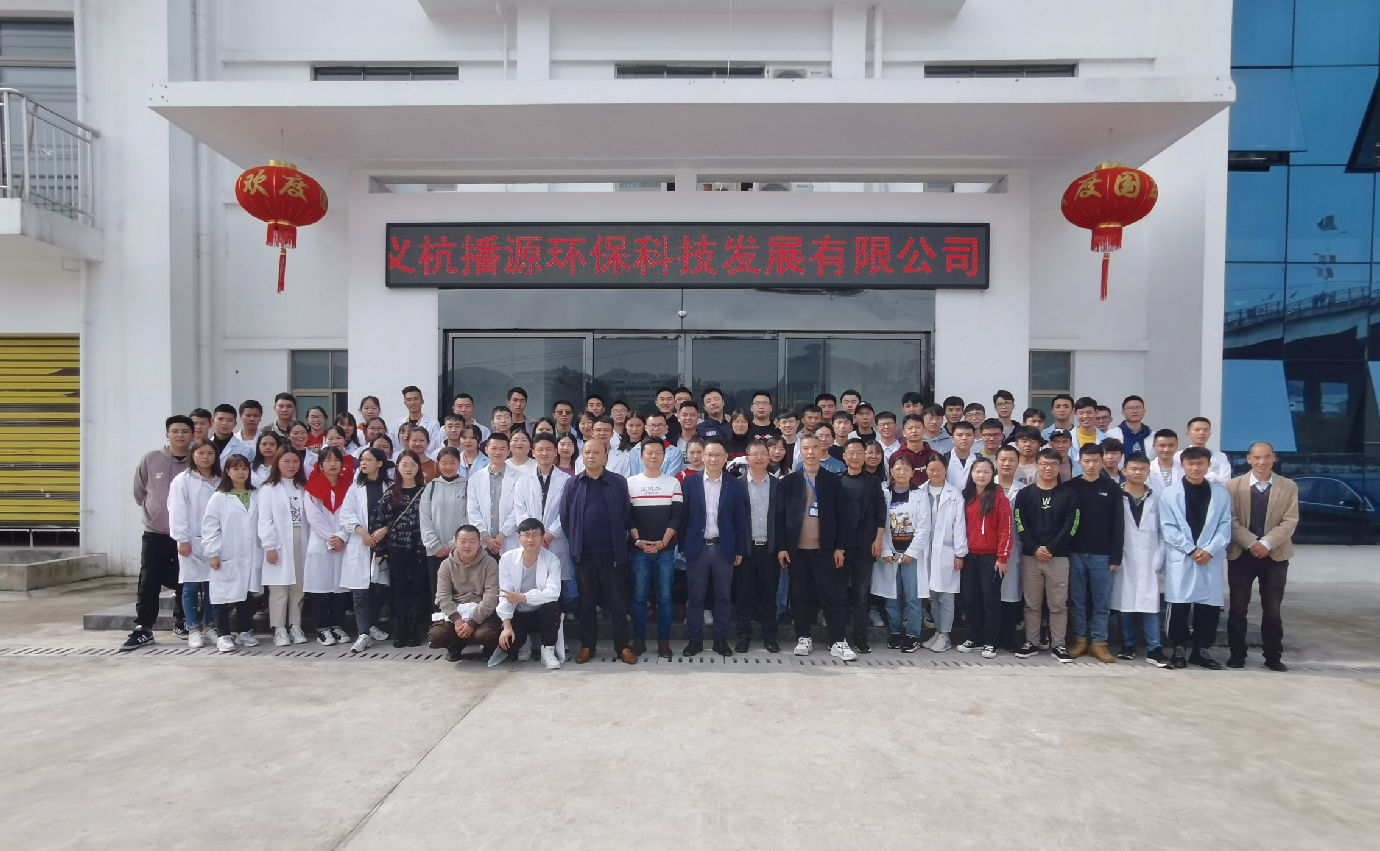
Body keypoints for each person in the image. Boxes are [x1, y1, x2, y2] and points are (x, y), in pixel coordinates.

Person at [775, 434, 854, 661]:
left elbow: (841, 516)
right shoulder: (788, 482)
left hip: (825, 549)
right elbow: (779, 518)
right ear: (800, 451)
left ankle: (838, 640)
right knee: (800, 595)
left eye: (815, 448)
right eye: (806, 448)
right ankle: (803, 637)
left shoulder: (833, 480)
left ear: (822, 450)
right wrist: (782, 547)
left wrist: (840, 547)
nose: (810, 452)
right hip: (797, 550)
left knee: (831, 595)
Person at [121, 415, 195, 651]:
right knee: (149, 579)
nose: (180, 435)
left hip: (186, 534)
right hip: (156, 531)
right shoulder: (151, 459)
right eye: (175, 431)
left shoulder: (197, 459)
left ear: (192, 435)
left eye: (185, 431)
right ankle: (144, 627)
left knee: (185, 578)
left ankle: (181, 621)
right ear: (167, 434)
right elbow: (139, 492)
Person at [559, 439, 636, 665]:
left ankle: (623, 646)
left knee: (617, 602)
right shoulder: (573, 484)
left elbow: (626, 514)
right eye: (587, 452)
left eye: (596, 452)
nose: (591, 456)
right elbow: (565, 517)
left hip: (612, 553)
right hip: (584, 554)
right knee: (586, 602)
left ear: (605, 456)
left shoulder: (618, 482)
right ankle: (587, 646)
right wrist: (577, 540)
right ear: (582, 456)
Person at [1225, 442, 1299, 672]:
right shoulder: (1233, 486)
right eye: (1257, 457)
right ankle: (1237, 654)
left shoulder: (1288, 486)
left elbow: (1290, 520)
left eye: (1267, 457)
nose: (1262, 462)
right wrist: (1252, 543)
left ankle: (1273, 656)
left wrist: (1266, 543)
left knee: (1273, 609)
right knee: (1238, 608)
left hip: (1275, 555)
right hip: (1242, 554)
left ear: (1274, 458)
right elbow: (1230, 520)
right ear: (1248, 459)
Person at [1160, 446, 1233, 670]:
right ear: (1182, 465)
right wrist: (1191, 549)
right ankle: (1179, 647)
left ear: (1208, 464)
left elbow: (1225, 525)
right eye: (1190, 463)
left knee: (1208, 605)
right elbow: (1168, 527)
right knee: (1179, 603)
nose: (1195, 468)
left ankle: (1201, 649)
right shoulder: (1170, 494)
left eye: (1200, 463)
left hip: (1209, 557)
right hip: (1183, 557)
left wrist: (1209, 550)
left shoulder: (1220, 494)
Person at [681, 441, 748, 657]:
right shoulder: (689, 483)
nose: (713, 459)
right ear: (702, 456)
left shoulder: (734, 484)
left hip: (723, 548)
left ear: (725, 457)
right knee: (696, 597)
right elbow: (683, 517)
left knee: (723, 597)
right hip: (697, 548)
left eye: (718, 455)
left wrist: (739, 550)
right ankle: (695, 641)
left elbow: (740, 520)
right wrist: (683, 546)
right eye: (709, 455)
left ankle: (720, 640)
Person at [1012, 448, 1078, 662]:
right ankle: (1031, 642)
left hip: (1058, 558)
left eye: (1053, 464)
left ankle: (1059, 645)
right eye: (1044, 464)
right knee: (1031, 604)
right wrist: (1034, 548)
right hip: (1031, 557)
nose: (1048, 468)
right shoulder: (1025, 494)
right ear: (1037, 466)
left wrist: (1051, 548)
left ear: (1059, 467)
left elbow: (1072, 525)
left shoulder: (1069, 494)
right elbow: (1020, 522)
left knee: (1058, 605)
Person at [1064, 443, 1124, 664]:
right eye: (1087, 461)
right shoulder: (1070, 487)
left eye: (1095, 461)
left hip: (1102, 554)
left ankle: (1099, 642)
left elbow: (1118, 523)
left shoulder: (1112, 488)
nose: (1091, 465)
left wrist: (1116, 555)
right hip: (1075, 553)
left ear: (1102, 461)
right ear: (1079, 462)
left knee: (1102, 601)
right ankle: (1080, 640)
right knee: (1077, 600)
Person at [626, 439, 684, 659]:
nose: (653, 456)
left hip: (665, 551)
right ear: (641, 456)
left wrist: (663, 542)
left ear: (664, 456)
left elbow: (676, 516)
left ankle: (663, 642)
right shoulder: (630, 483)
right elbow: (628, 516)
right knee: (639, 597)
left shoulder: (673, 483)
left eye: (658, 453)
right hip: (639, 550)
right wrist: (638, 540)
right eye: (649, 453)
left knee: (665, 598)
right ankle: (638, 641)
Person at [201, 454, 262, 653]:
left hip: (250, 554)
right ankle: (224, 634)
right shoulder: (219, 497)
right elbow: (210, 527)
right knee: (222, 596)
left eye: (244, 468)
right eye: (236, 469)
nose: (241, 472)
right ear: (227, 471)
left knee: (247, 594)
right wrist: (213, 552)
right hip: (226, 553)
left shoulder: (256, 495)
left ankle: (244, 631)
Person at [953, 457, 1011, 658]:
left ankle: (991, 642)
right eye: (978, 471)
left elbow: (1006, 529)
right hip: (969, 555)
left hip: (991, 557)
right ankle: (975, 637)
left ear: (992, 474)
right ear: (971, 473)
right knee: (970, 599)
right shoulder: (966, 496)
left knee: (990, 600)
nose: (981, 475)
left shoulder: (999, 497)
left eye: (986, 472)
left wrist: (1002, 557)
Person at [371, 450, 430, 647]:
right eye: (404, 464)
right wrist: (380, 550)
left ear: (418, 467)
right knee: (400, 590)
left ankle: (414, 630)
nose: (409, 468)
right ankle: (402, 630)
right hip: (396, 549)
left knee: (418, 590)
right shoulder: (390, 492)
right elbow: (378, 520)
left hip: (420, 549)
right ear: (397, 467)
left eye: (413, 464)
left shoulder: (426, 491)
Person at [1114, 453, 1168, 667]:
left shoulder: (1157, 498)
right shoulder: (1116, 496)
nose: (1138, 472)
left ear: (1148, 471)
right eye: (1133, 468)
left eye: (1142, 469)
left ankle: (1154, 648)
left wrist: (1160, 554)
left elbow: (1163, 531)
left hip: (1149, 557)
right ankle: (1127, 645)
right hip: (1123, 557)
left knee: (1150, 605)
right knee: (1124, 603)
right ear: (1124, 470)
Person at [512, 435, 574, 618]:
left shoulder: (567, 480)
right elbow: (520, 510)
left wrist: (550, 534)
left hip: (555, 540)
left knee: (555, 588)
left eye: (548, 449)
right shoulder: (523, 480)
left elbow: (567, 511)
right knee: (532, 585)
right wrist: (534, 535)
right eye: (540, 450)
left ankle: (554, 630)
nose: (544, 453)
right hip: (531, 541)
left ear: (555, 452)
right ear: (533, 452)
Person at [491, 517, 565, 669]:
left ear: (542, 537)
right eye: (526, 535)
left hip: (541, 613)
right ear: (519, 537)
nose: (530, 539)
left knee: (553, 607)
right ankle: (523, 642)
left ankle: (548, 650)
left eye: (535, 535)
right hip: (518, 614)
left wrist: (524, 597)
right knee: (510, 645)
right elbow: (505, 595)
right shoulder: (507, 559)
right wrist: (507, 627)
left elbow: (553, 593)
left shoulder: (552, 560)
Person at [337, 447, 392, 652]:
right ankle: (363, 633)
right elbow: (346, 514)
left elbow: (395, 513)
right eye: (362, 460)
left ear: (380, 463)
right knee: (360, 592)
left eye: (368, 459)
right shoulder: (355, 488)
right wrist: (362, 532)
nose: (363, 463)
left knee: (378, 589)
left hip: (382, 544)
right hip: (361, 543)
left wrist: (384, 530)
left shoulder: (389, 486)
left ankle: (371, 625)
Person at [168, 438, 221, 649]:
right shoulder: (182, 480)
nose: (205, 457)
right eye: (201, 453)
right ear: (193, 455)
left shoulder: (220, 480)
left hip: (215, 540)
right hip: (191, 540)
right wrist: (182, 539)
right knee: (190, 585)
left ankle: (209, 626)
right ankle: (192, 628)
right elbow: (177, 511)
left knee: (211, 585)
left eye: (210, 453)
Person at [873, 453, 927, 652]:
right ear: (891, 472)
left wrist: (912, 552)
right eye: (898, 468)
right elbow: (879, 523)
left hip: (911, 555)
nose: (902, 472)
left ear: (912, 473)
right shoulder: (884, 493)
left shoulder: (920, 495)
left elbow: (924, 527)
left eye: (906, 468)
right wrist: (886, 549)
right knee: (891, 597)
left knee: (913, 598)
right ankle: (895, 633)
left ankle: (913, 635)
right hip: (890, 553)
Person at [836, 439, 886, 653]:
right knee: (838, 595)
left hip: (865, 546)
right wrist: (835, 546)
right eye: (851, 453)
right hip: (840, 548)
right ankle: (837, 637)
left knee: (861, 596)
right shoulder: (837, 480)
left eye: (859, 453)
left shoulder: (873, 482)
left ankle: (860, 637)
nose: (855, 457)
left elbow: (881, 511)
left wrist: (878, 538)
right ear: (844, 456)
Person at [257, 447, 310, 647]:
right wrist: (269, 546)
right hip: (279, 541)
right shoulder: (268, 489)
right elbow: (265, 520)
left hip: (301, 539)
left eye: (295, 461)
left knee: (299, 587)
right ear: (277, 463)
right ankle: (279, 628)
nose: (291, 465)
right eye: (286, 461)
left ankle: (295, 625)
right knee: (279, 588)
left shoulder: (303, 487)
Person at [427, 525, 501, 662]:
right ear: (456, 543)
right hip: (457, 612)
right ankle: (455, 645)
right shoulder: (446, 565)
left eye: (472, 541)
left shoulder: (490, 563)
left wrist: (472, 622)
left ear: (479, 543)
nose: (467, 545)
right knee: (436, 635)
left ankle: (488, 648)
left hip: (482, 612)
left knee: (487, 635)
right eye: (463, 541)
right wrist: (456, 620)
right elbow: (442, 596)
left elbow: (491, 597)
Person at [735, 442, 782, 654]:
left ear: (769, 457)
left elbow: (782, 519)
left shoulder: (778, 485)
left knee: (769, 595)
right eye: (755, 454)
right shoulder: (737, 485)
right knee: (744, 596)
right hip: (746, 549)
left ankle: (770, 636)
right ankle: (743, 637)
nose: (760, 458)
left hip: (770, 549)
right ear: (747, 458)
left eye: (764, 453)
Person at [303, 447, 351, 646]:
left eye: (336, 460)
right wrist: (332, 538)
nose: (333, 464)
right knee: (320, 589)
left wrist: (342, 536)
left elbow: (352, 514)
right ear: (320, 464)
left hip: (343, 543)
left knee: (340, 590)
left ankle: (337, 626)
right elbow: (313, 517)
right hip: (320, 543)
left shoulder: (349, 486)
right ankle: (323, 628)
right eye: (328, 460)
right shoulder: (312, 489)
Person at [919, 455, 967, 652]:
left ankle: (946, 635)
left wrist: (960, 554)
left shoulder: (954, 495)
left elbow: (960, 525)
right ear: (926, 470)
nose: (935, 473)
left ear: (946, 469)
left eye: (939, 469)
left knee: (946, 596)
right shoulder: (920, 491)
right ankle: (938, 631)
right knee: (932, 596)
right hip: (925, 552)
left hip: (947, 551)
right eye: (931, 469)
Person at [420, 447, 469, 606]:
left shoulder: (467, 485)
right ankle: (439, 619)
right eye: (444, 463)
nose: (448, 467)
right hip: (435, 550)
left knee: (459, 590)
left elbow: (469, 517)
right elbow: (424, 516)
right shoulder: (431, 487)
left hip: (460, 549)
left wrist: (454, 544)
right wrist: (434, 545)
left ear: (459, 463)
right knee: (438, 590)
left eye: (452, 462)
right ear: (438, 464)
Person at [994, 445, 1026, 652]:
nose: (1007, 464)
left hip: (1015, 549)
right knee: (990, 594)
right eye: (1003, 459)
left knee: (1012, 593)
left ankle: (1007, 637)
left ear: (1018, 462)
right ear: (996, 461)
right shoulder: (987, 485)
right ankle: (990, 637)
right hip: (990, 549)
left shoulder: (1024, 490)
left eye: (1011, 460)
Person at [467, 433, 520, 557]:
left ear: (508, 451)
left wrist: (502, 535)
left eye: (502, 449)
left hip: (509, 541)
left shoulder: (519, 478)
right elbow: (472, 510)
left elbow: (518, 509)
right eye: (494, 448)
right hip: (483, 542)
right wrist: (485, 537)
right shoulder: (475, 478)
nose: (498, 452)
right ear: (486, 450)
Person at [1174, 417, 1233, 485]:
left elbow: (1226, 481)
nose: (1201, 433)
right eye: (1197, 430)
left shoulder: (1220, 456)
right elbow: (1177, 479)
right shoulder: (1178, 456)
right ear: (1188, 434)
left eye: (1205, 430)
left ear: (1209, 434)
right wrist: (1212, 477)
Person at [392, 386, 442, 453]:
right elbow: (393, 447)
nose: (412, 403)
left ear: (422, 401)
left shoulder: (433, 424)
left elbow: (434, 447)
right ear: (405, 403)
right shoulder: (396, 424)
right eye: (409, 400)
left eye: (416, 399)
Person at [642, 411, 685, 476]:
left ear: (666, 428)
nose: (656, 429)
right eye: (652, 425)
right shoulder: (636, 451)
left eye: (660, 425)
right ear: (646, 428)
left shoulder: (675, 452)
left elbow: (671, 477)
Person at [943, 421, 979, 490]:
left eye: (969, 435)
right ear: (952, 439)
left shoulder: (979, 459)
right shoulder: (944, 459)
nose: (964, 438)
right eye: (959, 435)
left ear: (974, 438)